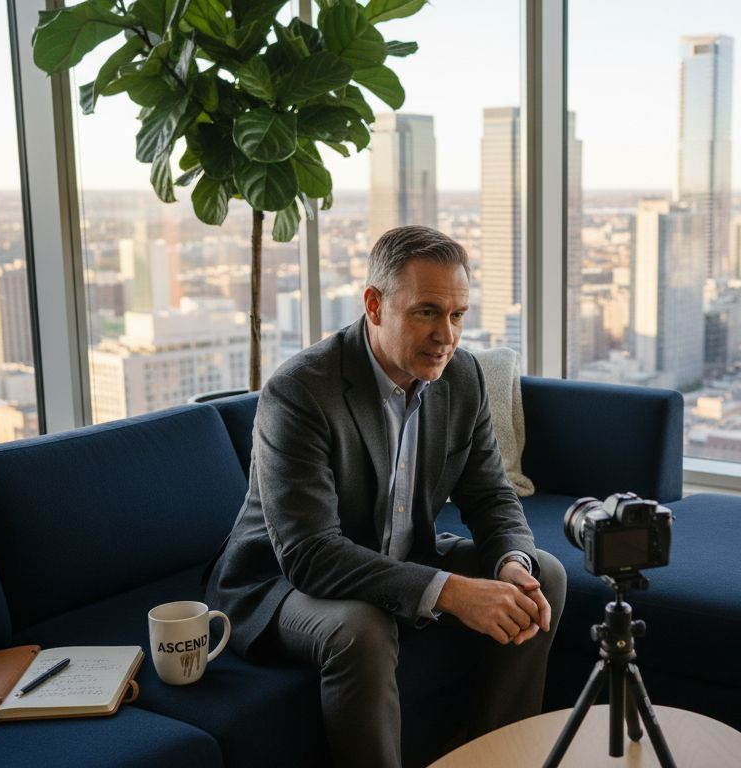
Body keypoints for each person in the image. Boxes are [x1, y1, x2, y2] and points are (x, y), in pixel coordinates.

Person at [206, 225, 566, 768]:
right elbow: (309, 554)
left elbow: (491, 495)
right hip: (281, 583)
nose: (446, 335)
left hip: (398, 557)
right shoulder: (301, 391)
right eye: (426, 311)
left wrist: (511, 561)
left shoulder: (462, 376)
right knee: (361, 630)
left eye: (457, 315)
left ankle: (494, 756)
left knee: (544, 577)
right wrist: (450, 591)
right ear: (374, 305)